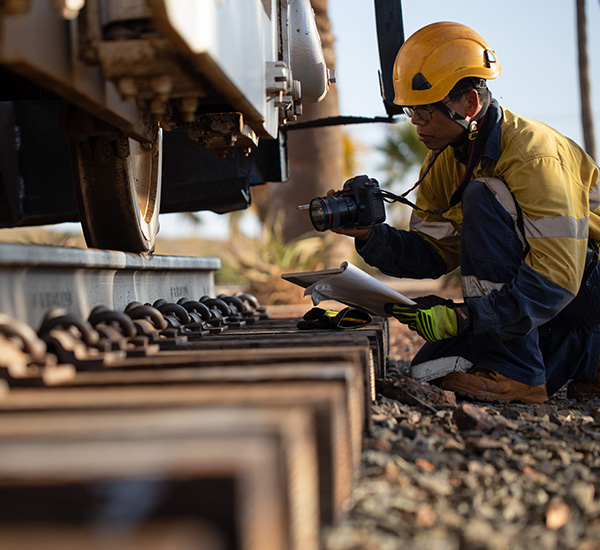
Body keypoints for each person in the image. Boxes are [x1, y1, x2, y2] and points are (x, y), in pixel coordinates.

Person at [332, 21, 600, 403]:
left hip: (583, 285)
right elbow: (434, 253)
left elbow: (556, 278)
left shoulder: (534, 155)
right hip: (561, 297)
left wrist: (467, 318)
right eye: (411, 111)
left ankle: (520, 373)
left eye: (424, 113)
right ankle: (589, 356)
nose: (415, 123)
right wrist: (371, 236)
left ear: (469, 105)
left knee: (481, 194)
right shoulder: (448, 157)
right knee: (432, 369)